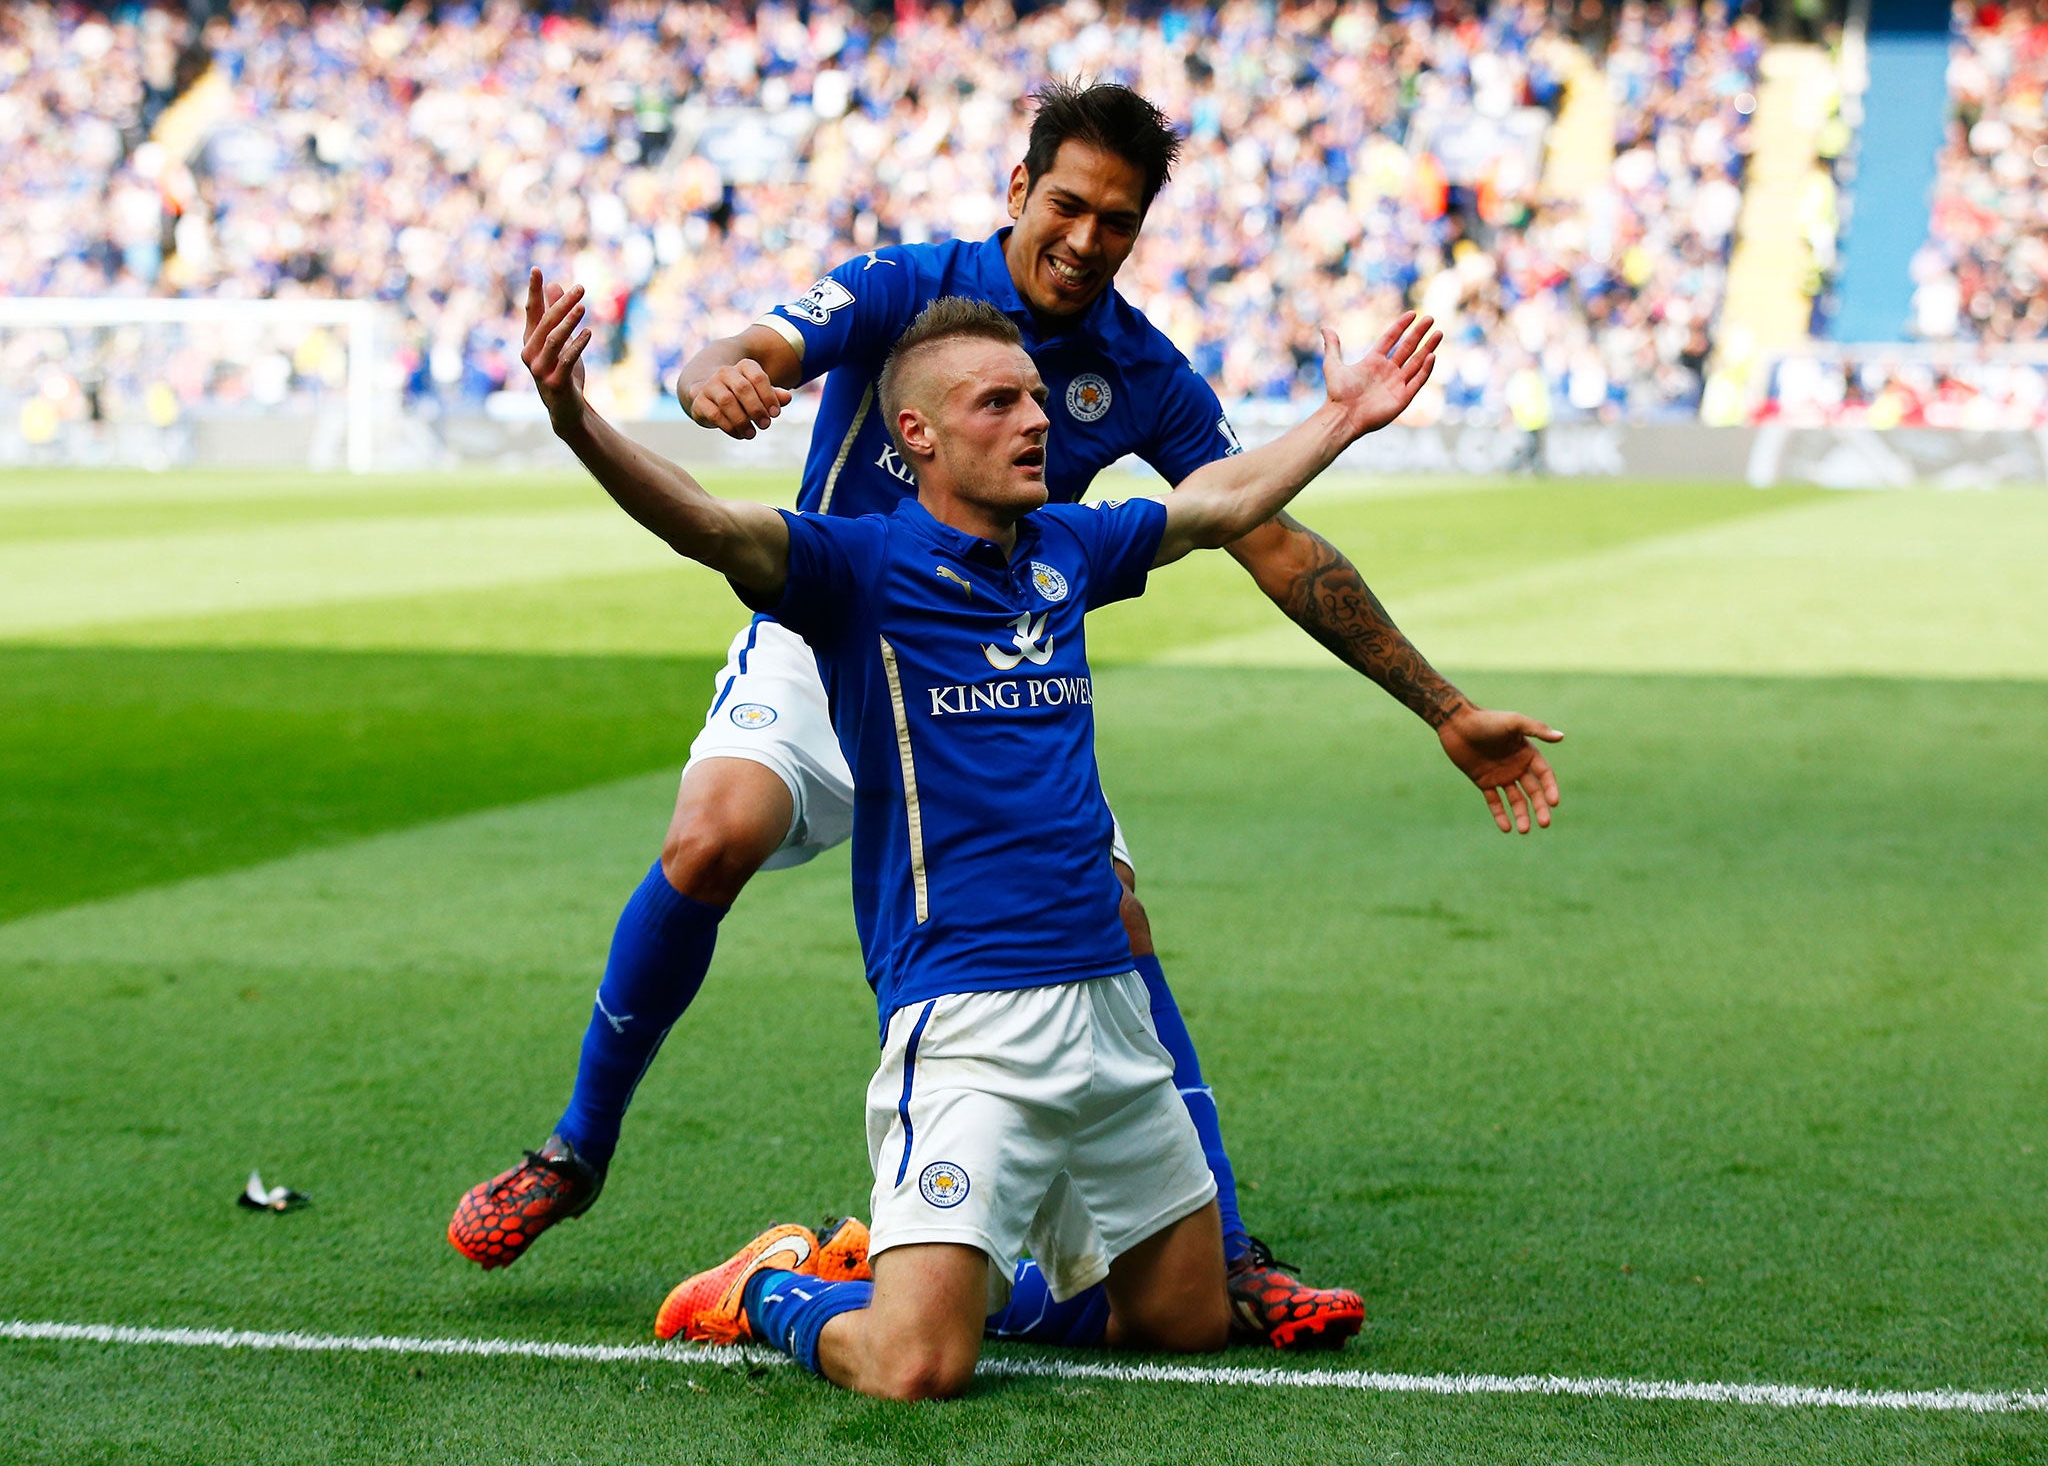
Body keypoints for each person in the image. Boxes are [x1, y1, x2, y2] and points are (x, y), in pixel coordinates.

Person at [449, 82, 1564, 1348]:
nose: (1089, 239)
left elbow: (1253, 528)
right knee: (713, 834)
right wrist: (715, 379)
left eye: (1120, 222)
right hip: (836, 630)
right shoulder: (907, 285)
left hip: (992, 672)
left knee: (1115, 910)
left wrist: (1441, 707)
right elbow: (747, 357)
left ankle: (1220, 1253)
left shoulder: (1141, 373)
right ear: (1017, 191)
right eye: (1070, 205)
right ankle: (575, 1152)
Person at [523, 279, 1447, 1398]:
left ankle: (937, 1275)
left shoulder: (1069, 546)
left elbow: (1219, 504)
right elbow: (704, 522)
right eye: (997, 403)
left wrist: (1342, 417)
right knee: (915, 1368)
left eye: (1035, 399)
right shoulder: (852, 571)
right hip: (966, 1019)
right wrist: (576, 418)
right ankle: (769, 1287)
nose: (1035, 420)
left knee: (1182, 1323)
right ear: (914, 435)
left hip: (1108, 1010)